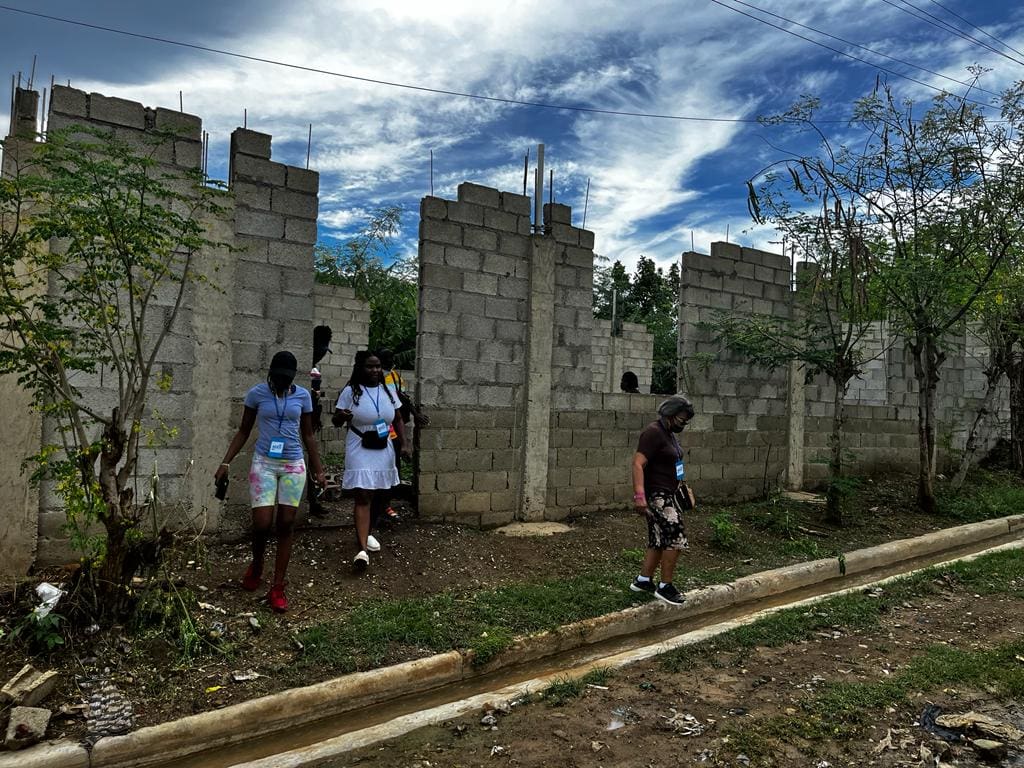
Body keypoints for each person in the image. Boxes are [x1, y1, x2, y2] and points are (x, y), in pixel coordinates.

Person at [215, 351, 326, 613]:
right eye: (279, 377)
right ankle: (257, 564)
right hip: (264, 463)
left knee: (286, 523)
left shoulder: (302, 396)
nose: (283, 382)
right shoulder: (256, 394)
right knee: (262, 524)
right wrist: (225, 461)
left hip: (293, 465)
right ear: (271, 373)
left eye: (287, 378)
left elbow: (308, 434)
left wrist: (318, 470)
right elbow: (243, 430)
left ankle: (278, 586)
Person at [332, 350, 409, 572]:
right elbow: (336, 420)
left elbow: (398, 418)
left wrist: (404, 444)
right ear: (360, 368)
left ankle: (368, 531)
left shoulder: (387, 390)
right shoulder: (351, 391)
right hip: (359, 443)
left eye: (377, 367)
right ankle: (362, 548)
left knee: (380, 491)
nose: (375, 370)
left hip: (383, 445)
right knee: (363, 493)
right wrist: (341, 417)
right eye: (370, 366)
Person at [629, 396, 696, 606]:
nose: (683, 424)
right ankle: (665, 586)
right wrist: (639, 496)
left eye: (686, 421)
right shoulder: (653, 432)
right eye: (682, 420)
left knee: (658, 539)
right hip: (658, 496)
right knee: (675, 537)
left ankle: (643, 580)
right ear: (670, 414)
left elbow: (676, 463)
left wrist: (683, 485)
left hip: (670, 493)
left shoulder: (669, 435)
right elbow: (638, 463)